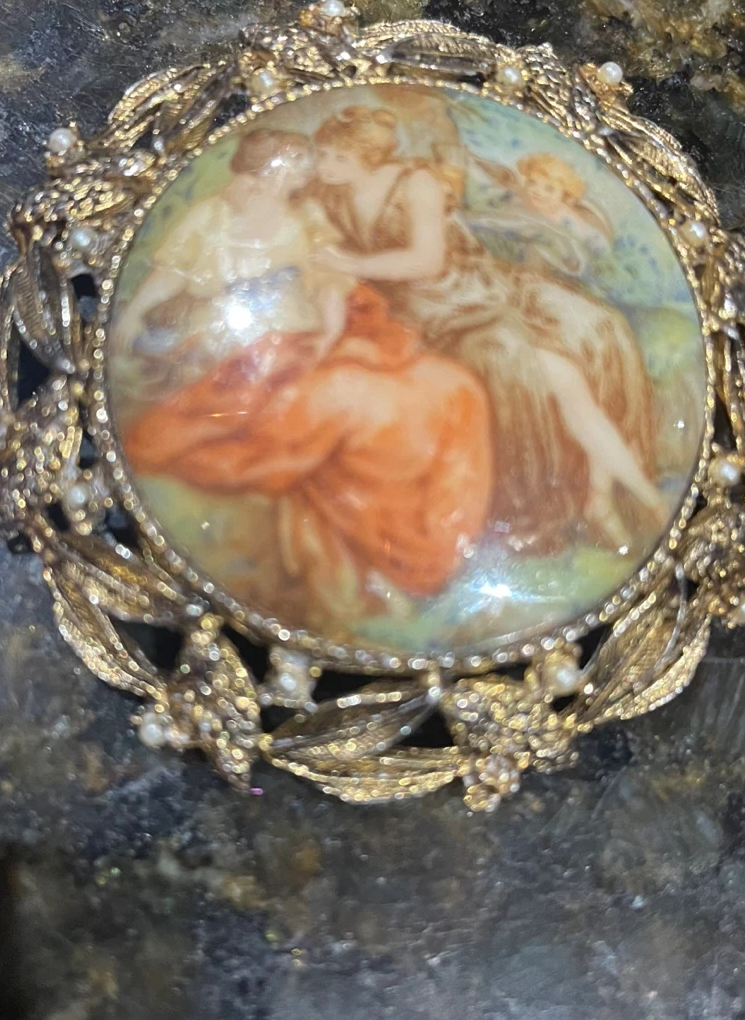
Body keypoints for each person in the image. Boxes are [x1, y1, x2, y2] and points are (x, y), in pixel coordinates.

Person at [310, 105, 667, 552]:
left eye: (337, 158)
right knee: (559, 375)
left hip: (473, 285)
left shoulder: (415, 183)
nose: (324, 166)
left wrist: (349, 262)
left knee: (600, 329)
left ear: (368, 157)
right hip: (429, 313)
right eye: (322, 156)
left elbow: (427, 260)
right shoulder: (327, 196)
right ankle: (627, 501)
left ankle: (615, 497)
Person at [124, 284, 494, 628]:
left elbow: (243, 469)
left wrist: (211, 414)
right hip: (447, 562)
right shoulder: (454, 379)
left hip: (388, 569)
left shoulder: (337, 390)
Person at [115, 128, 353, 366]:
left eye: (306, 157)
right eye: (295, 157)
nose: (308, 165)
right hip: (217, 338)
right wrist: (133, 313)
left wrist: (330, 334)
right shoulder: (212, 214)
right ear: (265, 163)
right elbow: (172, 270)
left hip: (294, 336)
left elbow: (329, 280)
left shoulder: (308, 217)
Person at [472, 152, 614, 278]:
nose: (537, 191)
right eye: (532, 182)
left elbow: (578, 244)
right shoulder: (526, 200)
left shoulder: (563, 216)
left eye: (549, 189)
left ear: (565, 196)